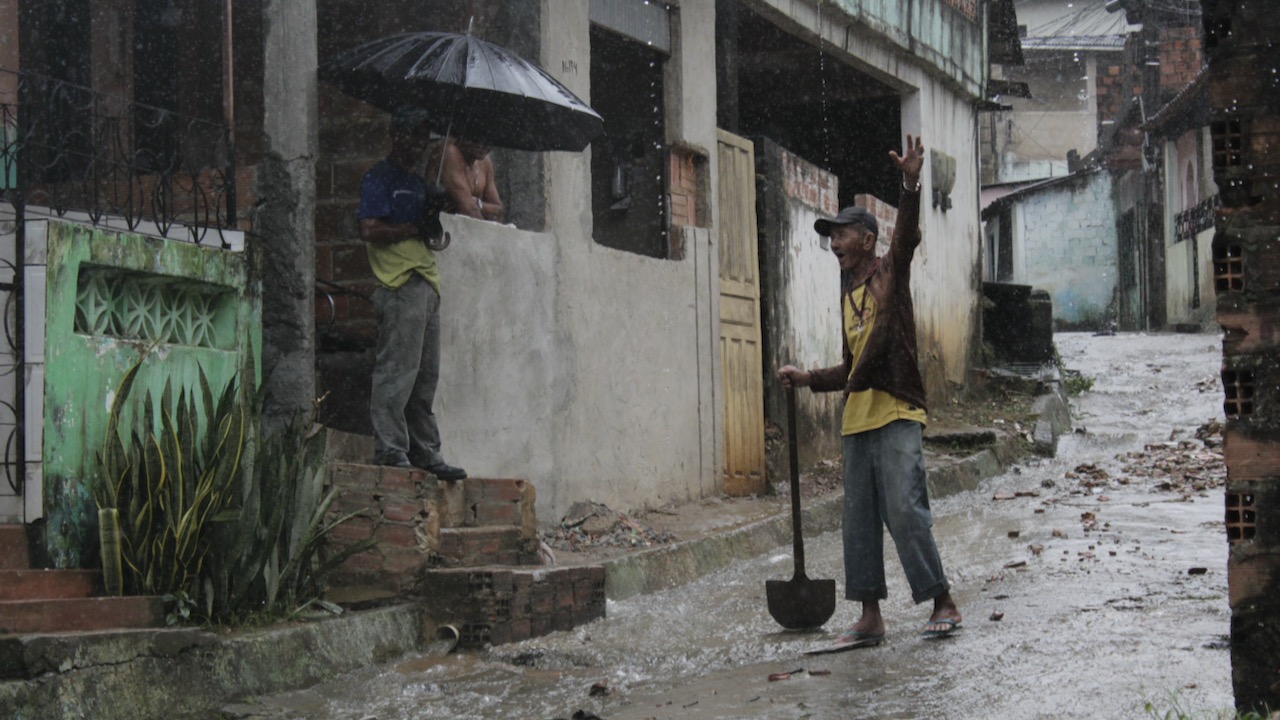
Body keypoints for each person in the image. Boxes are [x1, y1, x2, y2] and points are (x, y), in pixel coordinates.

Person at [777, 135, 962, 647]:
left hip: (898, 410)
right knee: (857, 521)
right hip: (857, 422)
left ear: (866, 238)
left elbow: (906, 236)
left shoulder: (889, 273)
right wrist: (808, 378)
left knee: (904, 508)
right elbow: (851, 366)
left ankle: (942, 601)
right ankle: (870, 616)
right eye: (829, 236)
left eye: (840, 234)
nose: (833, 243)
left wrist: (909, 184)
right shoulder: (848, 295)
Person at [358, 109, 467, 481]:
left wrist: (435, 212)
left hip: (427, 282)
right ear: (397, 135)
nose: (420, 144)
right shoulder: (380, 177)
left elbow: (430, 237)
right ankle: (390, 449)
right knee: (398, 371)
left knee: (425, 376)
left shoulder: (421, 183)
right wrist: (410, 226)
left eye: (425, 137)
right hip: (398, 282)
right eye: (414, 135)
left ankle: (426, 451)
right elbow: (370, 229)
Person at [427, 137, 504, 223]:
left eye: (489, 141)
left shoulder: (485, 162)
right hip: (439, 228)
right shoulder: (449, 153)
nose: (484, 146)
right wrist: (487, 234)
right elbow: (468, 209)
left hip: (465, 228)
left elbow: (498, 212)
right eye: (477, 139)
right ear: (464, 134)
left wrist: (479, 204)